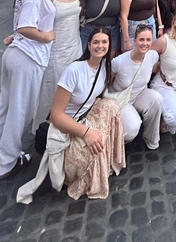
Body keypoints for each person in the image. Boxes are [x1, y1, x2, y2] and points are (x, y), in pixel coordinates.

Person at [0, 0, 56, 178]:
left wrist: (16, 34)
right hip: (29, 56)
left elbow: (21, 25)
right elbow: (26, 26)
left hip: (15, 53)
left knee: (5, 106)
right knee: (21, 109)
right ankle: (9, 159)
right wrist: (46, 36)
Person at [48, 27, 125, 199]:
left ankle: (107, 163)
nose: (100, 46)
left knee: (112, 107)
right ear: (88, 45)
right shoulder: (74, 70)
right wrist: (86, 132)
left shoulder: (104, 67)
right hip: (67, 125)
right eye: (96, 42)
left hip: (85, 117)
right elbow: (56, 116)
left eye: (104, 42)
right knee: (95, 147)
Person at [33, 0, 85, 131]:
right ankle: (47, 125)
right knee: (54, 86)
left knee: (73, 85)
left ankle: (69, 121)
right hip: (56, 47)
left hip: (74, 45)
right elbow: (35, 20)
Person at [109, 24, 163, 148]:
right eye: (141, 39)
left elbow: (158, 67)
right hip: (121, 99)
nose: (145, 43)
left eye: (148, 40)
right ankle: (114, 143)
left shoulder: (153, 56)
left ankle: (151, 137)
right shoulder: (119, 62)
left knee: (157, 99)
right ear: (135, 41)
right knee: (133, 127)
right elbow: (107, 82)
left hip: (139, 94)